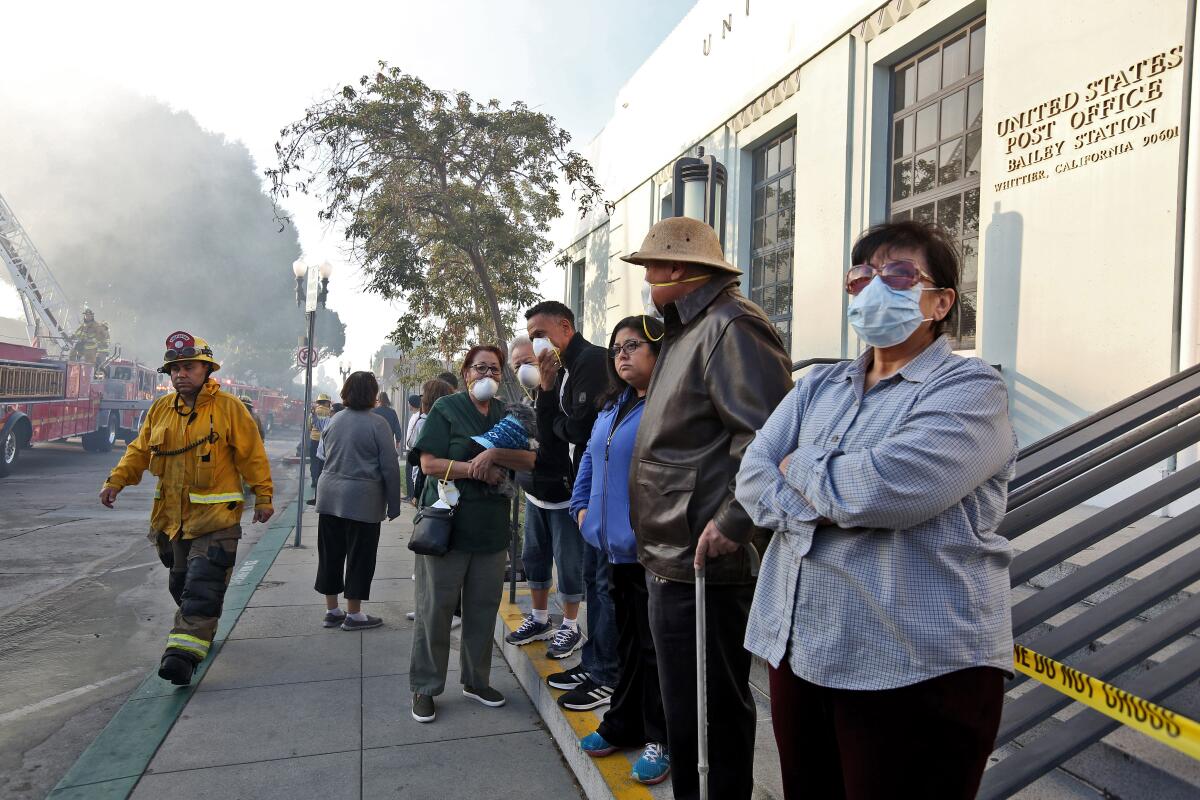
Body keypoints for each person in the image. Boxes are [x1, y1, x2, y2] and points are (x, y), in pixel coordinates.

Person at [735, 220, 1017, 800]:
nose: (872, 288)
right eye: (860, 277)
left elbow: (886, 491)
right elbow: (753, 476)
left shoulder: (971, 388)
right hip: (801, 646)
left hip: (914, 662)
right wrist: (829, 493)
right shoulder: (820, 386)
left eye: (897, 274)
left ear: (940, 302)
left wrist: (803, 465)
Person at [623, 216, 792, 800]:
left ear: (675, 269)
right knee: (686, 710)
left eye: (651, 266)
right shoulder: (686, 327)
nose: (646, 277)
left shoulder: (730, 326)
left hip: (704, 554)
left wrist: (732, 522)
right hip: (674, 549)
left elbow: (767, 438)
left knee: (711, 714)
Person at [99, 331, 273, 686]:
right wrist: (116, 480)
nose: (180, 374)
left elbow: (252, 456)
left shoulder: (230, 409)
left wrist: (264, 497)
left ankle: (181, 658)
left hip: (217, 519)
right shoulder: (161, 409)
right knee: (181, 585)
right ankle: (202, 624)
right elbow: (139, 450)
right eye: (174, 368)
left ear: (206, 369)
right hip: (171, 522)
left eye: (188, 367)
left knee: (202, 587)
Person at [408, 346, 530, 723]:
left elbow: (530, 458)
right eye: (480, 368)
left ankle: (476, 681)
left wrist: (496, 457)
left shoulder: (507, 414)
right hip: (447, 530)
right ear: (465, 373)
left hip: (490, 532)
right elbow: (429, 463)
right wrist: (475, 467)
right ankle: (425, 688)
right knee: (436, 611)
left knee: (481, 612)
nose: (487, 375)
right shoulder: (447, 410)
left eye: (494, 369)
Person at [573, 316, 670, 785]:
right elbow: (591, 458)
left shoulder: (667, 406)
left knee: (656, 651)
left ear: (659, 351)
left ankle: (662, 737)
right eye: (616, 349)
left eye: (633, 345)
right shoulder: (612, 406)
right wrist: (580, 509)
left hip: (651, 552)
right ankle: (624, 723)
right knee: (628, 645)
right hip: (612, 549)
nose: (622, 355)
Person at [526, 300, 619, 711]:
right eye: (532, 338)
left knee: (602, 584)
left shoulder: (593, 360)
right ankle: (593, 662)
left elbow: (580, 427)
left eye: (541, 334)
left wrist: (561, 418)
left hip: (603, 486)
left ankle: (606, 672)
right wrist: (548, 396)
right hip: (583, 483)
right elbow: (552, 434)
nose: (537, 343)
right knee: (591, 577)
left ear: (565, 327)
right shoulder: (558, 371)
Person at [503, 335, 585, 664]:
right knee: (534, 558)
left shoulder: (562, 390)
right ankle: (539, 619)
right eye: (517, 364)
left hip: (565, 497)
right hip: (534, 495)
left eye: (529, 361)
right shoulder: (523, 403)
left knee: (569, 564)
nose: (524, 368)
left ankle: (571, 625)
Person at [314, 371, 404, 632]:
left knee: (330, 554)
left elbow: (322, 455)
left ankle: (332, 611)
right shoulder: (378, 424)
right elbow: (389, 467)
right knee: (360, 556)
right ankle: (354, 615)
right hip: (362, 500)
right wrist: (394, 504)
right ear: (373, 395)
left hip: (329, 496)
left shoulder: (334, 419)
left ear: (346, 391)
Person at [305, 394, 333, 505]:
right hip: (325, 442)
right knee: (322, 466)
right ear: (326, 402)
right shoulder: (330, 413)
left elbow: (309, 425)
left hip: (314, 439)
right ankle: (318, 481)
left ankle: (313, 480)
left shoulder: (314, 411)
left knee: (314, 461)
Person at [401, 393, 422, 500]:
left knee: (412, 472)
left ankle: (412, 495)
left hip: (413, 449)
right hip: (410, 448)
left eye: (409, 403)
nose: (408, 406)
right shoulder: (414, 415)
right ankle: (409, 494)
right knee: (408, 472)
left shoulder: (418, 416)